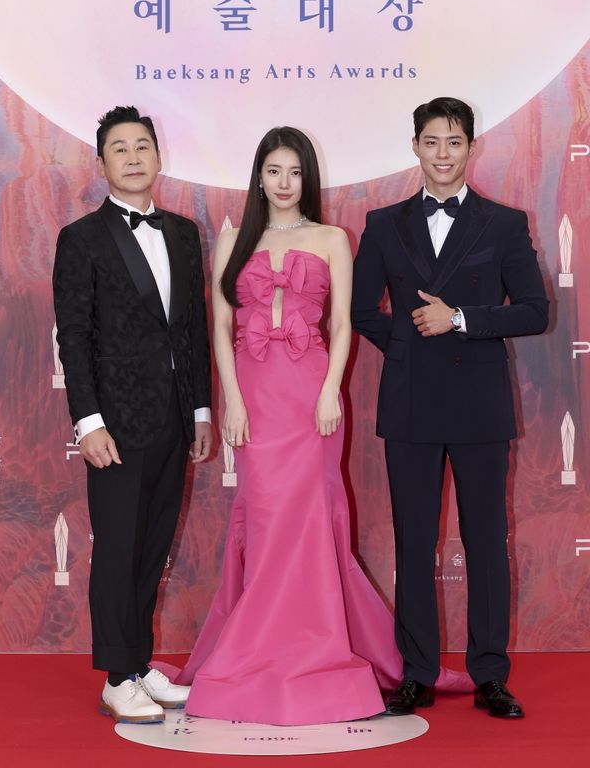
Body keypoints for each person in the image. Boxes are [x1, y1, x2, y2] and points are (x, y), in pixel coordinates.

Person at [177, 126, 471, 726]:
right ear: (259, 177)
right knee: (265, 516)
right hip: (255, 397)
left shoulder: (334, 238)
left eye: (295, 172)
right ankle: (258, 645)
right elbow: (221, 329)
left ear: (307, 177)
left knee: (311, 516)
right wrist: (232, 401)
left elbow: (341, 325)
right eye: (274, 171)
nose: (285, 183)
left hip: (312, 396)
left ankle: (316, 644)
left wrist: (331, 389)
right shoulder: (232, 239)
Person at [351, 97, 548, 719]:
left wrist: (458, 318)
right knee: (413, 542)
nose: (443, 153)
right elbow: (360, 311)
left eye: (454, 141)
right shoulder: (383, 223)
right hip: (410, 401)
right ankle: (417, 672)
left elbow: (534, 311)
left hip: (479, 404)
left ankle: (490, 674)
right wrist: (411, 340)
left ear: (471, 148)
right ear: (414, 146)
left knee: (486, 540)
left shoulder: (504, 223)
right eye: (432, 141)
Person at [52, 105, 212, 723]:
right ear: (102, 164)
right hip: (115, 424)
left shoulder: (183, 233)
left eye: (143, 146)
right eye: (120, 148)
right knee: (118, 547)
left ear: (158, 156)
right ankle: (116, 676)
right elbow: (74, 337)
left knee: (152, 545)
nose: (134, 157)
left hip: (173, 417)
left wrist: (200, 409)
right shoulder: (81, 239)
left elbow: (193, 330)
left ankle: (140, 664)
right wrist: (88, 422)